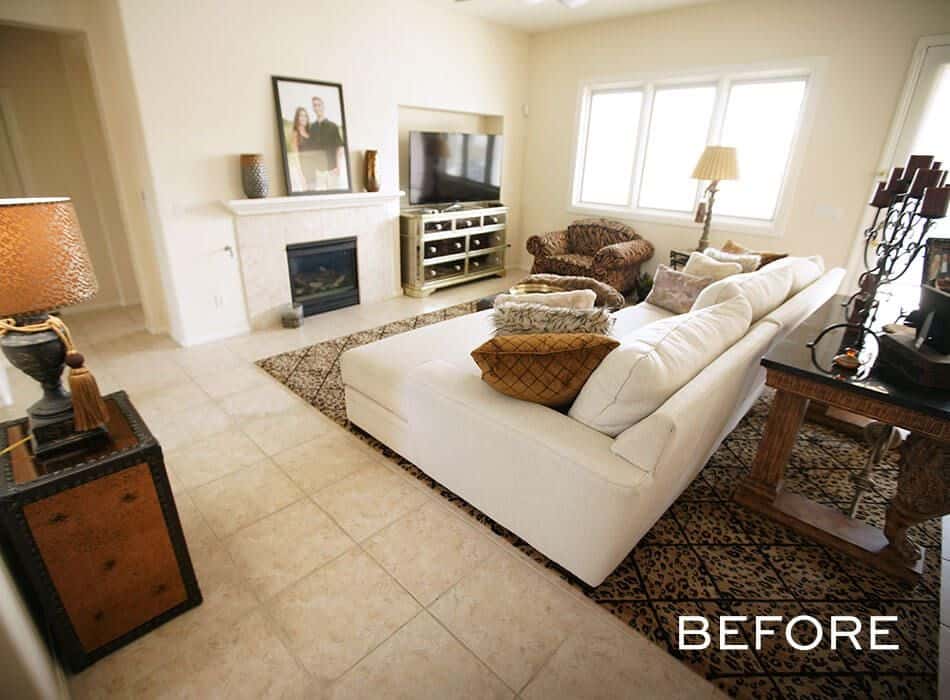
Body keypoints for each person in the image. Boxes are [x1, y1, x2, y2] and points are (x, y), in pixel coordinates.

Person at [304, 96, 345, 190]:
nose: (317, 107)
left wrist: (338, 166)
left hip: (332, 169)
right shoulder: (311, 128)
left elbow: (340, 148)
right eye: (315, 105)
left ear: (323, 106)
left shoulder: (333, 126)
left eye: (319, 105)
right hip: (318, 171)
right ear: (313, 108)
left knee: (335, 199)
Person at [285, 107, 310, 192]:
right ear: (297, 118)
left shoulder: (309, 132)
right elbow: (296, 157)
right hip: (303, 170)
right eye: (301, 115)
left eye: (305, 116)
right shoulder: (295, 134)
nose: (303, 118)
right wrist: (301, 176)